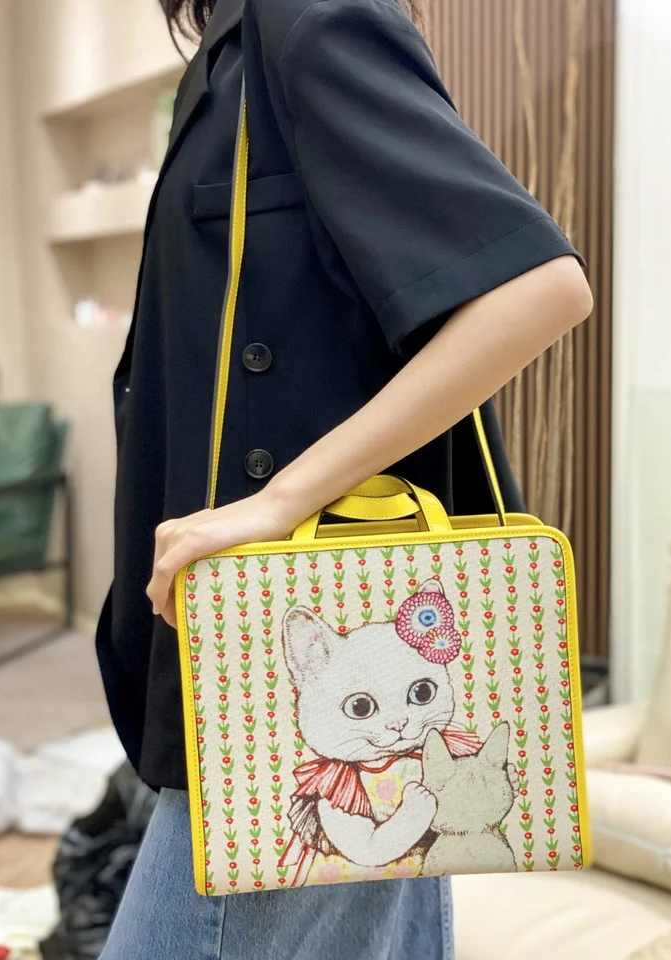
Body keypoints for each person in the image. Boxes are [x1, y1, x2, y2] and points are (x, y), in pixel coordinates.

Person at [95, 0, 593, 956]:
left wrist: (280, 499)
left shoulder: (309, 16)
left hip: (289, 694)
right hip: (301, 673)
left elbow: (536, 288)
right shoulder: (239, 48)